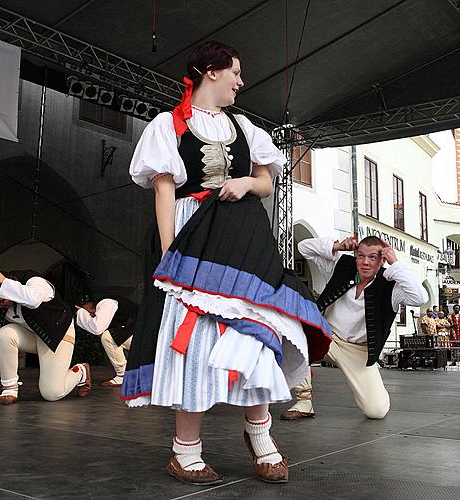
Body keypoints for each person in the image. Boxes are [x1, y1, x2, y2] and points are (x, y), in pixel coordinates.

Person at [121, 41, 331, 485]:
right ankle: (185, 449)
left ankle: (260, 434)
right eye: (235, 72)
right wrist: (168, 253)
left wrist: (243, 182)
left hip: (242, 237)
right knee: (193, 340)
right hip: (192, 235)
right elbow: (163, 190)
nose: (240, 81)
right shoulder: (167, 124)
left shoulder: (244, 126)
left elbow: (267, 184)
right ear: (211, 72)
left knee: (256, 333)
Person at [281, 235, 428, 421]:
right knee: (295, 336)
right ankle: (304, 401)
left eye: (372, 257)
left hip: (359, 351)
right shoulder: (340, 267)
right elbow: (303, 247)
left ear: (382, 259)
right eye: (360, 256)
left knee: (376, 411)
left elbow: (420, 298)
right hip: (328, 337)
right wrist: (338, 246)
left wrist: (395, 263)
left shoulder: (392, 286)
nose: (365, 262)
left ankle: (376, 386)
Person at [0, 266, 91, 404]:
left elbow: (33, 300)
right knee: (5, 334)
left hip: (57, 334)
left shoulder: (35, 282)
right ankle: (9, 389)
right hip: (32, 335)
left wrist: (4, 282)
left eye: (1, 302)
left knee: (52, 393)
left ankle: (80, 372)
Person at [76, 297, 136, 387]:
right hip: (141, 338)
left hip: (146, 338)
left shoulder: (106, 303)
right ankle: (124, 374)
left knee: (108, 337)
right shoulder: (107, 306)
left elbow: (97, 328)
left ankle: (123, 375)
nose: (90, 315)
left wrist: (82, 313)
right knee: (109, 336)